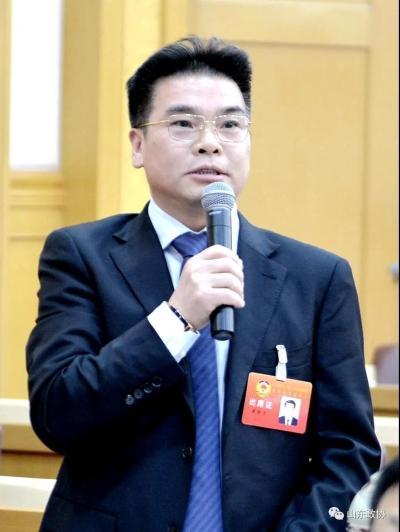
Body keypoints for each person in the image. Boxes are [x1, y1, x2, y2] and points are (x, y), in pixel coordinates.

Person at [26, 36, 381, 532]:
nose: (210, 142)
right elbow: (57, 415)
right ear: (137, 145)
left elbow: (348, 448)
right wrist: (176, 320)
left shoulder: (317, 277)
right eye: (183, 124)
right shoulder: (82, 255)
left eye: (230, 125)